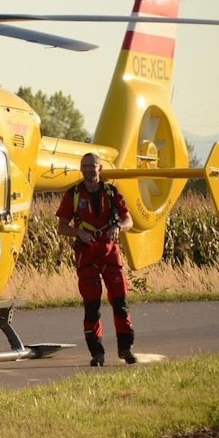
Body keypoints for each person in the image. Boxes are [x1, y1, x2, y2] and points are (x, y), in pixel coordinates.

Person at [55, 153, 137, 366]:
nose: (89, 170)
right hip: (87, 255)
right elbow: (61, 227)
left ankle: (125, 349)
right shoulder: (73, 194)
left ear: (100, 168)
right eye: (85, 166)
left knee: (120, 303)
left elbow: (128, 220)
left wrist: (118, 227)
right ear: (81, 169)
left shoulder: (112, 192)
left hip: (111, 253)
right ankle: (97, 354)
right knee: (92, 306)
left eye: (93, 166)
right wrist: (79, 233)